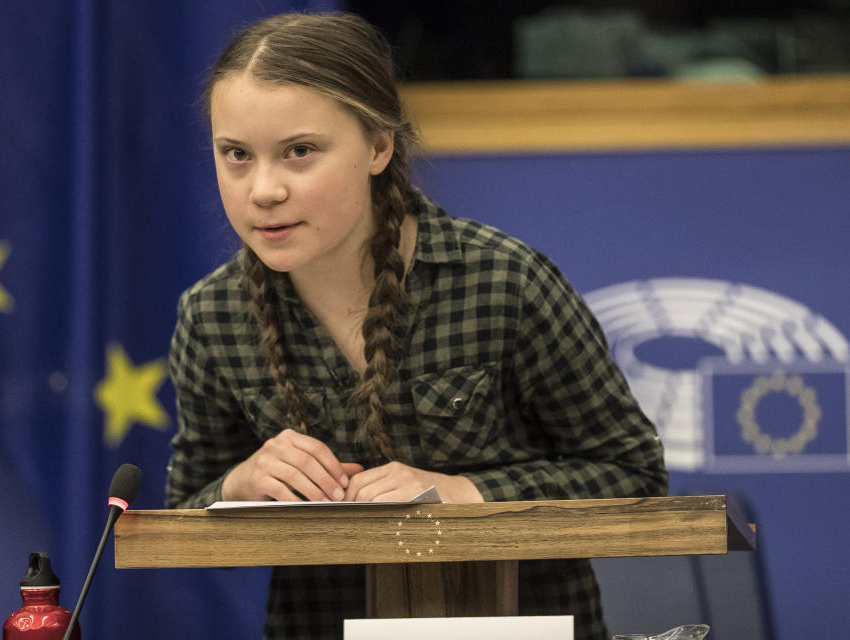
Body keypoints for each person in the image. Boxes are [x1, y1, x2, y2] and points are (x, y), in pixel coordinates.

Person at [165, 11, 668, 640]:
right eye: (235, 155)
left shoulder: (504, 281)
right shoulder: (211, 315)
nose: (263, 189)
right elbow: (182, 512)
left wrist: (466, 493)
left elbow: (633, 475)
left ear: (378, 147)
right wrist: (240, 484)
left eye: (300, 152)